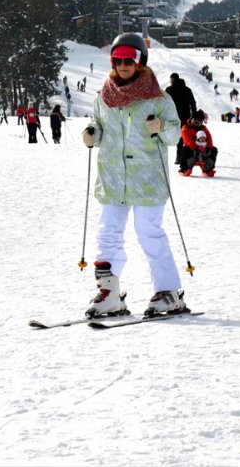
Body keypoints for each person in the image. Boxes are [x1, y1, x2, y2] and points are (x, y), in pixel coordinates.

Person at [81, 33, 186, 318]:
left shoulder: (158, 98)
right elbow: (98, 125)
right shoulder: (104, 96)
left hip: (147, 178)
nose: (124, 64)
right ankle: (109, 292)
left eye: (130, 59)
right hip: (113, 177)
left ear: (140, 61)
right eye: (118, 60)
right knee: (108, 234)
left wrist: (162, 125)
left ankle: (169, 291)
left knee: (149, 232)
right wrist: (92, 133)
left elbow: (176, 135)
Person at [165, 73, 197, 165]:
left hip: (172, 116)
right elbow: (193, 103)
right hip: (185, 117)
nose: (170, 81)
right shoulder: (187, 90)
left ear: (172, 79)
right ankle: (186, 156)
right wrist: (193, 116)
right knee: (185, 135)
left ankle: (179, 157)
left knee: (177, 136)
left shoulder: (169, 89)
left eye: (170, 80)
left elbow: (164, 102)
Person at [179, 110, 218, 177]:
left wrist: (209, 147)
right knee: (185, 149)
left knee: (214, 149)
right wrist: (195, 148)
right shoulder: (186, 127)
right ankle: (184, 168)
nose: (198, 123)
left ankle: (208, 168)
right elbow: (187, 140)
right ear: (192, 119)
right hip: (191, 149)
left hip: (203, 149)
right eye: (196, 121)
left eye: (200, 121)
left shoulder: (203, 128)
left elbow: (209, 138)